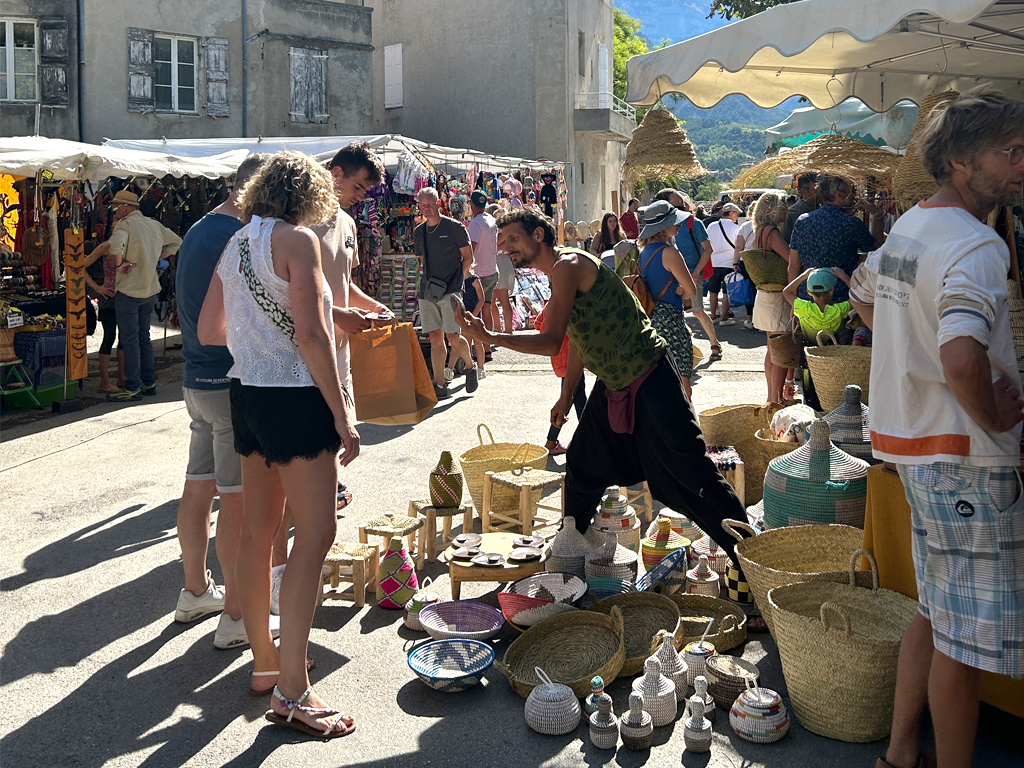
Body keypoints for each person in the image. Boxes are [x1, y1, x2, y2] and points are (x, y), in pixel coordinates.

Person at [850, 86, 1024, 768]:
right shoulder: (977, 245)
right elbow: (960, 355)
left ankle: (899, 754)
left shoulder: (912, 227)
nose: (1021, 165)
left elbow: (865, 301)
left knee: (936, 611)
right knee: (964, 639)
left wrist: (913, 359)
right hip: (968, 461)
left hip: (914, 448)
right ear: (958, 161)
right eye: (1009, 153)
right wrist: (992, 419)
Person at [453, 208, 746, 558]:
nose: (507, 247)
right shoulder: (558, 273)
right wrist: (565, 397)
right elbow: (577, 338)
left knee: (692, 475)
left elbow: (550, 341)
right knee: (582, 463)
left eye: (514, 239)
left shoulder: (568, 266)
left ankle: (751, 557)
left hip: (651, 376)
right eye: (505, 241)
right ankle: (569, 551)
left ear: (538, 236)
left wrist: (489, 336)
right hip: (614, 384)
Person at [198, 151, 358, 738]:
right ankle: (293, 690)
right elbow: (315, 335)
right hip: (293, 397)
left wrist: (258, 335)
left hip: (248, 394)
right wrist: (343, 417)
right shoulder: (298, 241)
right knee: (315, 533)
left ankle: (267, 663)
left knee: (257, 531)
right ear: (310, 194)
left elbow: (208, 329)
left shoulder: (236, 242)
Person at [173, 153, 276, 649]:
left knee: (199, 486)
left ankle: (195, 590)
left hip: (196, 379)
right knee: (237, 500)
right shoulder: (236, 236)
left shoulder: (199, 229)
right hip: (224, 378)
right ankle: (235, 615)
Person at [88, 190, 181, 402]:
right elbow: (176, 242)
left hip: (129, 290)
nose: (114, 210)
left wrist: (120, 264)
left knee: (130, 340)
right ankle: (148, 382)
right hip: (149, 288)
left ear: (124, 207)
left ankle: (132, 387)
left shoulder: (125, 225)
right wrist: (156, 257)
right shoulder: (153, 224)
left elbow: (116, 245)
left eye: (115, 207)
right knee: (143, 338)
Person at [414, 187, 478, 399]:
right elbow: (423, 261)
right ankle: (440, 384)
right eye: (423, 205)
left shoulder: (455, 228)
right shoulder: (419, 232)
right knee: (434, 336)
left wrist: (457, 278)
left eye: (430, 204)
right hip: (428, 290)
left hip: (451, 290)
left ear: (438, 203)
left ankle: (469, 365)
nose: (427, 209)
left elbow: (468, 258)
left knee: (453, 335)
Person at [788, 174, 883, 303]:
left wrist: (794, 301)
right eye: (852, 193)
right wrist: (876, 214)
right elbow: (877, 249)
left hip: (808, 300)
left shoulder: (802, 221)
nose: (854, 197)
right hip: (841, 300)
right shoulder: (851, 223)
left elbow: (793, 266)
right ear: (839, 195)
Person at [637, 201, 699, 397]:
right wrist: (680, 290)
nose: (679, 223)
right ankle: (686, 426)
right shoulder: (670, 253)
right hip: (670, 320)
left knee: (660, 385)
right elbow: (691, 290)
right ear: (662, 228)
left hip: (650, 320)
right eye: (674, 221)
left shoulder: (644, 252)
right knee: (682, 386)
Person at [655, 189, 722, 361]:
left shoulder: (695, 223)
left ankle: (714, 343)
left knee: (698, 311)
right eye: (677, 206)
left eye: (683, 205)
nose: (683, 209)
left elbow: (708, 249)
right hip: (669, 275)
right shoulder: (661, 228)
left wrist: (695, 273)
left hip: (691, 274)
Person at [744, 191, 796, 404]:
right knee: (781, 351)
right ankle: (775, 399)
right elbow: (791, 258)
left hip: (766, 296)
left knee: (772, 350)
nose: (786, 210)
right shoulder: (772, 232)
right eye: (782, 206)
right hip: (776, 297)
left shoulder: (760, 232)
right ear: (772, 209)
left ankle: (771, 396)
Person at [535, 304, 585, 456]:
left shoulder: (552, 303)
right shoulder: (569, 303)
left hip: (558, 359)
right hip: (571, 360)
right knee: (567, 400)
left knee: (579, 399)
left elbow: (538, 323)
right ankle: (551, 442)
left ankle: (590, 439)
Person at [81, 240, 123, 393]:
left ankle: (122, 377)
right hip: (110, 296)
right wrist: (97, 287)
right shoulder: (107, 246)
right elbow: (80, 266)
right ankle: (105, 381)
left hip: (126, 296)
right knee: (109, 336)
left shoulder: (132, 242)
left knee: (125, 338)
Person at [467, 190, 499, 363]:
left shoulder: (475, 224)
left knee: (473, 312)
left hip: (478, 273)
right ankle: (487, 349)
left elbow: (470, 249)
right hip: (492, 271)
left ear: (471, 204)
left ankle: (476, 349)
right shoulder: (491, 220)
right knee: (486, 309)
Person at [783, 267, 851, 342]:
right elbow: (857, 298)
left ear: (808, 292)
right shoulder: (839, 310)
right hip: (832, 350)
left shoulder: (804, 307)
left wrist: (804, 275)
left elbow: (786, 291)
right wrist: (844, 277)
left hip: (809, 350)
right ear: (831, 290)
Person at [705, 203, 742, 325]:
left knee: (713, 290)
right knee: (726, 291)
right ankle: (724, 318)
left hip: (713, 261)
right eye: (736, 213)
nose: (737, 216)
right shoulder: (736, 228)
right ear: (731, 213)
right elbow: (738, 246)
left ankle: (713, 315)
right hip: (729, 262)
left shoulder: (711, 226)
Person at [782, 171, 819, 243]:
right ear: (803, 191)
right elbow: (785, 242)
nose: (820, 192)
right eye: (816, 189)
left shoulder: (825, 211)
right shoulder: (791, 214)